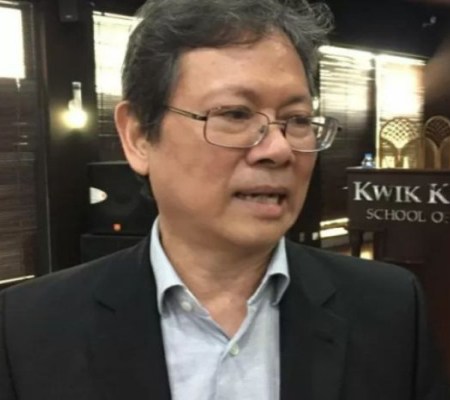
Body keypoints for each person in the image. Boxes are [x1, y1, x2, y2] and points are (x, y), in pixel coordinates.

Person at [0, 0, 448, 399]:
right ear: (138, 136)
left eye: (296, 119)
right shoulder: (30, 328)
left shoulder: (389, 308)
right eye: (235, 114)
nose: (278, 149)